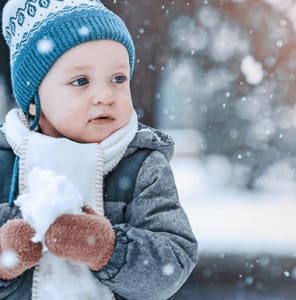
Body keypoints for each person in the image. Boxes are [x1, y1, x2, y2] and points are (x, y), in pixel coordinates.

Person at [0, 0, 198, 299]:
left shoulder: (141, 165)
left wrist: (106, 247)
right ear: (33, 98)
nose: (105, 95)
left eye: (118, 79)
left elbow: (172, 263)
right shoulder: (5, 162)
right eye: (81, 81)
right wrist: (5, 257)